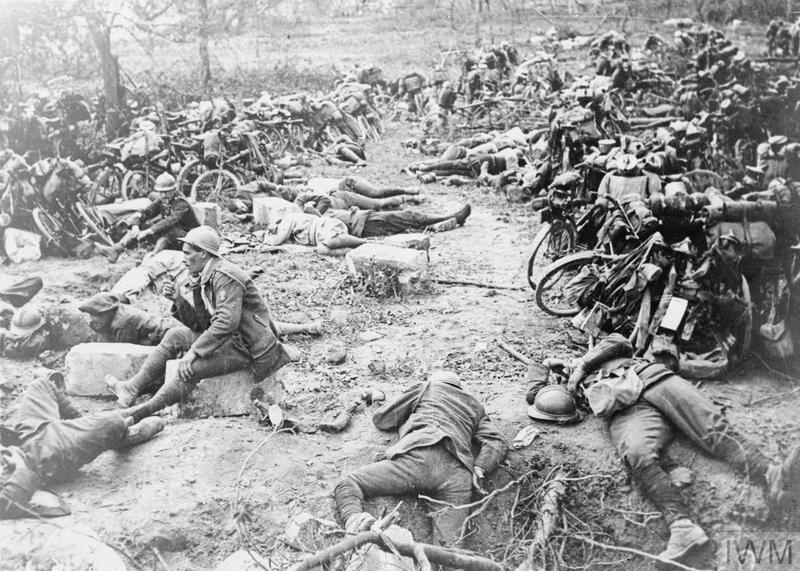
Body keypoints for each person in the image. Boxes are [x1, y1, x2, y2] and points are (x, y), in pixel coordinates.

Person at [561, 333, 800, 562]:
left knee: (710, 427)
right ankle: (682, 527)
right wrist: (555, 374)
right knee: (636, 452)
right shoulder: (568, 389)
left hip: (651, 378)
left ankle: (772, 474)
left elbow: (620, 340)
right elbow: (539, 395)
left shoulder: (596, 355)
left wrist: (581, 364)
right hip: (625, 409)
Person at [105, 226, 292, 421]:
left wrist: (193, 352)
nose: (183, 258)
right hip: (233, 340)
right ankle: (131, 388)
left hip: (251, 349)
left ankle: (138, 413)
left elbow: (227, 323)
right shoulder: (205, 276)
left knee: (189, 369)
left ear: (203, 253)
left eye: (187, 253)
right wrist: (178, 300)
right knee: (175, 335)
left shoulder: (225, 276)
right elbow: (202, 325)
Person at [333, 371, 508, 546]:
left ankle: (357, 522)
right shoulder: (476, 406)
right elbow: (497, 440)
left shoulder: (427, 387)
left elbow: (383, 419)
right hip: (457, 476)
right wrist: (481, 467)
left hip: (420, 459)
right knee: (449, 554)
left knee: (349, 483)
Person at [0, 372, 164, 519]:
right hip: (39, 458)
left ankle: (84, 424)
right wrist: (21, 468)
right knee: (112, 422)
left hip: (25, 434)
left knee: (41, 384)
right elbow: (6, 505)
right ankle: (126, 435)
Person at [97, 173, 200, 263]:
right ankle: (116, 250)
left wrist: (149, 231)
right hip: (174, 237)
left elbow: (170, 221)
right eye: (160, 192)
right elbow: (145, 212)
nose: (163, 195)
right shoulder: (163, 200)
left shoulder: (181, 203)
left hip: (188, 240)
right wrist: (135, 226)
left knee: (169, 233)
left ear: (174, 190)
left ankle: (152, 259)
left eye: (166, 191)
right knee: (143, 225)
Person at [78, 292, 177, 345]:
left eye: (95, 315)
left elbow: (120, 353)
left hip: (171, 335)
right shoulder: (118, 311)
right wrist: (101, 330)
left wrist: (102, 332)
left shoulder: (122, 322)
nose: (92, 319)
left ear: (107, 311)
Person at [325, 203, 471, 237]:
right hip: (362, 222)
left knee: (400, 227)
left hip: (361, 221)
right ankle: (453, 218)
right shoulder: (314, 215)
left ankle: (436, 226)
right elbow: (322, 201)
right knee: (408, 216)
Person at [262, 211, 366, 255]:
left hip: (326, 227)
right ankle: (355, 251)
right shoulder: (289, 225)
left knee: (331, 242)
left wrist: (268, 234)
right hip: (322, 235)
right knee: (322, 250)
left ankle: (365, 243)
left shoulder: (288, 219)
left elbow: (275, 241)